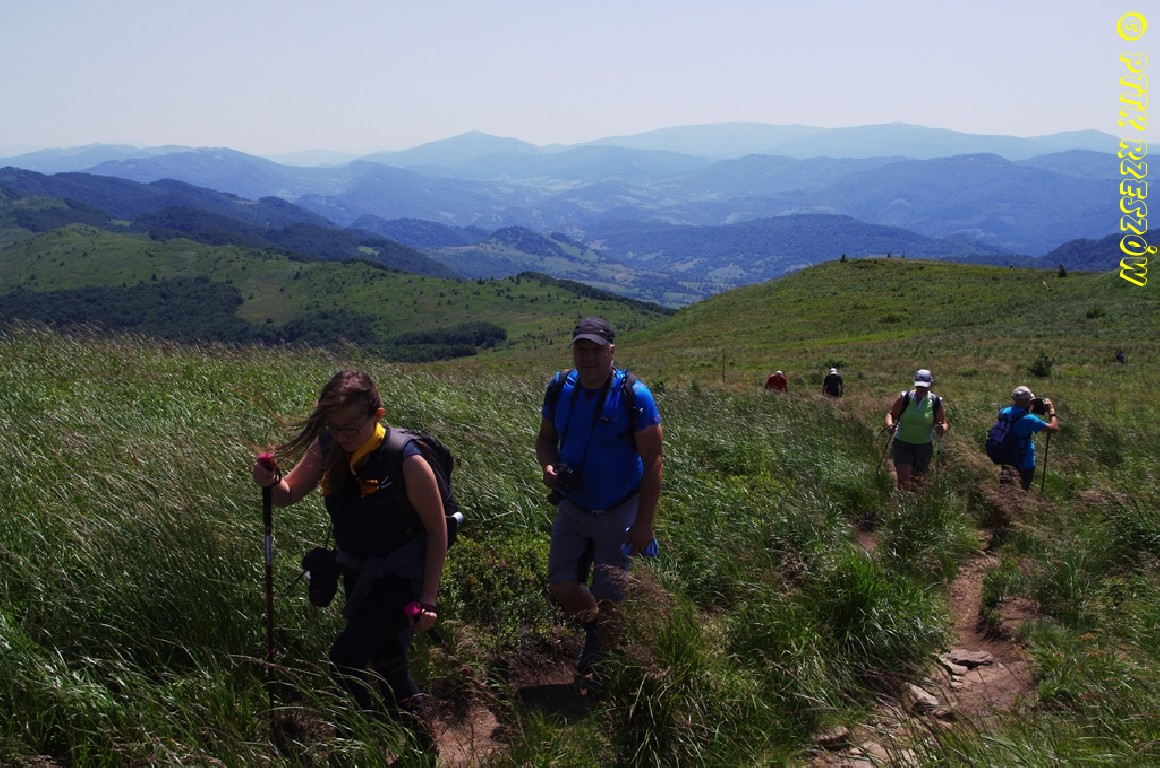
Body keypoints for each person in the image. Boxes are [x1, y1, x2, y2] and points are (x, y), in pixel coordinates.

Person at [251, 370, 445, 756]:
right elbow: (287, 495)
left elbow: (437, 530)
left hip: (401, 577)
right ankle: (423, 751)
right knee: (388, 660)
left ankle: (361, 744)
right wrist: (270, 482)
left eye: (350, 428)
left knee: (344, 659)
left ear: (378, 414)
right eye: (334, 427)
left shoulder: (405, 459)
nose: (341, 436)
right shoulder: (328, 446)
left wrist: (428, 597)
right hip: (357, 573)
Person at [535, 317, 663, 678]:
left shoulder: (634, 396)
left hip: (617, 510)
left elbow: (654, 462)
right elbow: (545, 439)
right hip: (572, 505)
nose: (588, 357)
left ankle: (605, 670)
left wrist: (643, 524)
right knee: (561, 585)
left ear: (612, 351)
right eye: (581, 349)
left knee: (610, 601)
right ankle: (594, 629)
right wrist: (548, 466)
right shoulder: (560, 387)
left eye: (596, 350)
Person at [885, 368, 948, 492]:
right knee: (904, 481)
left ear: (930, 385)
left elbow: (943, 423)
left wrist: (942, 428)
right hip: (902, 444)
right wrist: (890, 425)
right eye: (919, 385)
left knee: (918, 482)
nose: (921, 388)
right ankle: (902, 502)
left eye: (924, 386)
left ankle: (914, 503)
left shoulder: (935, 401)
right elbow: (891, 415)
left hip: (924, 447)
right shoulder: (905, 397)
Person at [998, 385, 1060, 490]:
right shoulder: (1029, 419)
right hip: (1025, 462)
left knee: (1006, 488)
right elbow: (1053, 428)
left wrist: (1026, 403)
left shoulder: (1003, 412)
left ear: (1013, 398)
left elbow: (1017, 413)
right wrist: (1051, 411)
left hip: (1007, 458)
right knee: (1021, 490)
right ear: (1028, 400)